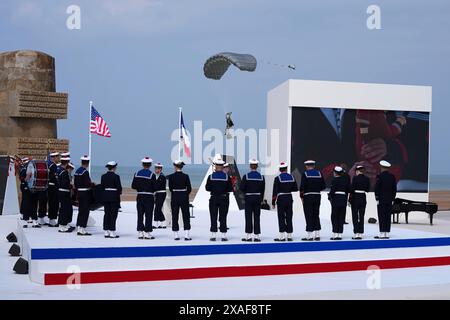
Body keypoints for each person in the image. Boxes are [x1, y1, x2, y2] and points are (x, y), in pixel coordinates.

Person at [205, 159, 233, 241]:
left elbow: (207, 188)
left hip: (213, 198)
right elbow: (230, 189)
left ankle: (213, 235)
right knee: (223, 217)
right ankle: (223, 235)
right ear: (222, 166)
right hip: (224, 198)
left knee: (213, 216)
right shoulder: (227, 177)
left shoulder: (211, 176)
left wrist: (214, 189)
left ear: (216, 166)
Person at [239, 158, 265, 242]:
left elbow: (241, 188)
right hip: (257, 198)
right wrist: (261, 199)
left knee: (248, 216)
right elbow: (262, 190)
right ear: (257, 166)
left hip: (249, 198)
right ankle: (257, 236)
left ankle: (249, 236)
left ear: (250, 166)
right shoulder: (261, 177)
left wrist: (247, 193)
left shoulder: (246, 176)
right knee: (257, 217)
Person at [299, 160, 326, 241]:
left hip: (308, 196)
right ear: (314, 166)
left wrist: (301, 196)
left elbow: (302, 187)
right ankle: (317, 234)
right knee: (316, 214)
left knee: (308, 215)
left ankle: (310, 235)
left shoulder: (305, 174)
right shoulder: (319, 173)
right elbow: (323, 186)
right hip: (317, 196)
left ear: (306, 166)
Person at [272, 162, 298, 241]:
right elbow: (295, 189)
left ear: (280, 169)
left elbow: (275, 191)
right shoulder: (292, 177)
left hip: (281, 198)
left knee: (281, 217)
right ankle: (289, 236)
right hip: (289, 197)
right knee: (289, 216)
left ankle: (282, 236)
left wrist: (273, 202)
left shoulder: (277, 178)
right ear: (286, 168)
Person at [131, 157, 156, 240]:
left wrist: (140, 188)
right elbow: (155, 187)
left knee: (140, 214)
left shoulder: (137, 173)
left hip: (140, 196)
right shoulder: (152, 175)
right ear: (150, 165)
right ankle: (147, 233)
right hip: (149, 196)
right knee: (148, 215)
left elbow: (133, 186)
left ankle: (140, 232)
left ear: (142, 164)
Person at [167, 160, 192, 241]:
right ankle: (186, 235)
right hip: (184, 196)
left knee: (175, 215)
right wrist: (184, 194)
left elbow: (170, 188)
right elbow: (189, 188)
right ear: (182, 167)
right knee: (186, 216)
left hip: (175, 196)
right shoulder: (186, 176)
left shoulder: (171, 176)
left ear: (175, 166)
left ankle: (176, 235)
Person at [374, 160, 397, 239]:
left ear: (381, 167)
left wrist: (377, 198)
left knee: (381, 216)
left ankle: (382, 233)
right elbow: (394, 189)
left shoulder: (380, 176)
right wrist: (393, 199)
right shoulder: (392, 177)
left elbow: (377, 188)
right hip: (389, 200)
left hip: (381, 199)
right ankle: (387, 233)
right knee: (387, 216)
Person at [328, 166, 351, 240]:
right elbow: (348, 190)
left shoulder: (334, 180)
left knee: (334, 217)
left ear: (335, 173)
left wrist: (330, 196)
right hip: (343, 199)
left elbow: (332, 191)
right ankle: (340, 234)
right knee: (341, 216)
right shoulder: (345, 180)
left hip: (336, 199)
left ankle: (335, 234)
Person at [101, 161, 122, 238]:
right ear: (114, 167)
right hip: (114, 197)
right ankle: (112, 231)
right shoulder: (116, 176)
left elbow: (102, 187)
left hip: (106, 196)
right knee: (113, 214)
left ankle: (106, 231)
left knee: (107, 214)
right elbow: (119, 188)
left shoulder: (103, 176)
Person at [349, 165, 371, 239]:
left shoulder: (355, 178)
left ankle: (356, 233)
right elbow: (367, 190)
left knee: (355, 216)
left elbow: (352, 189)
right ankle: (361, 233)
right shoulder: (367, 179)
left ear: (357, 171)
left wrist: (349, 199)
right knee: (361, 216)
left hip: (355, 198)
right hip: (363, 198)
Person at [74, 155, 93, 236]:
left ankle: (79, 227)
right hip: (85, 193)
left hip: (79, 193)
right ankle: (82, 228)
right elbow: (87, 183)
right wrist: (92, 184)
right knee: (85, 211)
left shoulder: (77, 171)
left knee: (81, 210)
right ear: (88, 163)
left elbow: (75, 183)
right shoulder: (85, 172)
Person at [57, 158, 75, 233]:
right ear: (67, 163)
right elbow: (65, 184)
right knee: (64, 209)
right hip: (64, 192)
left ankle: (63, 224)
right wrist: (71, 186)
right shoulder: (64, 172)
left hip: (61, 192)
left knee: (63, 209)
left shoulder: (60, 170)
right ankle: (62, 226)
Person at [47, 152, 60, 227]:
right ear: (54, 157)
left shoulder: (48, 164)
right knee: (54, 204)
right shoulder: (53, 166)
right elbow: (55, 178)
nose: (58, 158)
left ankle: (51, 219)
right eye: (57, 157)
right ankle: (52, 220)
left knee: (51, 203)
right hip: (53, 186)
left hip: (49, 186)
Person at [153, 162, 167, 229]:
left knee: (157, 209)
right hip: (157, 194)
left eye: (158, 168)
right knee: (158, 208)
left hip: (161, 193)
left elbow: (157, 186)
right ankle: (163, 223)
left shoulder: (162, 177)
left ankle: (155, 223)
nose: (156, 170)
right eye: (156, 168)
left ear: (161, 169)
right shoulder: (155, 176)